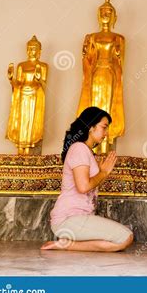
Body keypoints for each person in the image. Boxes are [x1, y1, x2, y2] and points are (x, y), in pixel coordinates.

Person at [41, 107, 133, 252]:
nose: (106, 133)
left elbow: (89, 185)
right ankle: (65, 245)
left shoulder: (85, 150)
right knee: (126, 237)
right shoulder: (79, 149)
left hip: (77, 218)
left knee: (122, 238)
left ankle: (66, 243)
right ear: (91, 127)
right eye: (104, 127)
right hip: (67, 219)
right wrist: (103, 172)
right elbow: (83, 187)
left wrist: (103, 173)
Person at [77, 0, 126, 153]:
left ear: (114, 17)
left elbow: (121, 63)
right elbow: (88, 60)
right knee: (94, 106)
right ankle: (92, 145)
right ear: (99, 15)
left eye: (109, 12)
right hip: (96, 74)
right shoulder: (92, 37)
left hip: (110, 74)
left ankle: (106, 143)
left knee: (108, 106)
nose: (106, 14)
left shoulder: (118, 38)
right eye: (103, 12)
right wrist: (85, 53)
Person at [6, 35, 48, 154]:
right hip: (22, 95)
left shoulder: (43, 66)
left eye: (34, 48)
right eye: (29, 48)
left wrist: (39, 79)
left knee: (31, 121)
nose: (31, 51)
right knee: (21, 121)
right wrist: (11, 79)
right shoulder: (21, 66)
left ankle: (29, 149)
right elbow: (18, 83)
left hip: (34, 97)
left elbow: (44, 86)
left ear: (39, 51)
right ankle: (20, 148)